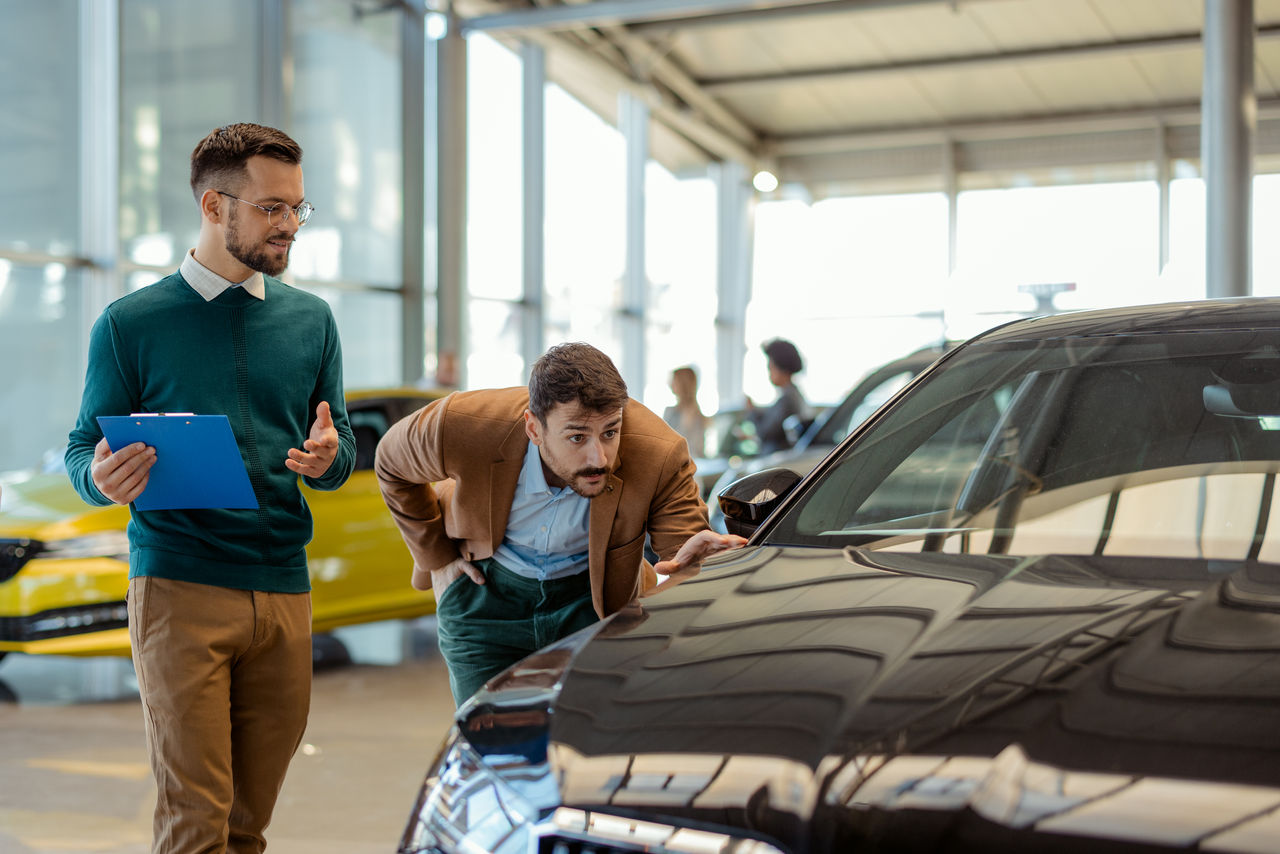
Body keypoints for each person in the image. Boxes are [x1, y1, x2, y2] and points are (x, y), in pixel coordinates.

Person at [64, 122, 355, 854]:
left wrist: (331, 458)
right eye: (270, 208)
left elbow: (342, 443)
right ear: (212, 205)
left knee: (247, 827)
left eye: (297, 208)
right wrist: (100, 478)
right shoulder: (130, 324)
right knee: (196, 822)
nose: (289, 224)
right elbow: (79, 452)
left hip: (285, 593)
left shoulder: (312, 321)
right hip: (178, 589)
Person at [374, 342, 745, 704]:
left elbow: (684, 546)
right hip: (485, 595)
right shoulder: (466, 424)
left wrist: (701, 564)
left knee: (591, 736)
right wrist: (437, 556)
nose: (598, 457)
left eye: (610, 433)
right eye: (577, 437)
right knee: (489, 740)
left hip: (592, 601)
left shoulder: (659, 452)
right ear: (534, 429)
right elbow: (390, 462)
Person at [746, 337, 811, 454]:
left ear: (782, 368)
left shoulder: (788, 399)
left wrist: (752, 411)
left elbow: (766, 433)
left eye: (771, 367)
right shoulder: (793, 395)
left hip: (777, 462)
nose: (769, 373)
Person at [663, 365, 709, 457]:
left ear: (683, 383)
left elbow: (695, 450)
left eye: (674, 381)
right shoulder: (669, 411)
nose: (671, 384)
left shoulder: (696, 414)